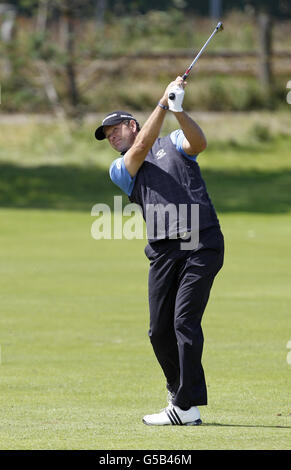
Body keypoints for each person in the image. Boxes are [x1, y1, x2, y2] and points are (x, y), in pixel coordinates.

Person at [95, 76, 224, 426]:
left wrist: (178, 110)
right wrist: (163, 104)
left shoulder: (174, 141)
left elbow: (199, 142)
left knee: (184, 321)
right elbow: (139, 149)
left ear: (131, 124)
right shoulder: (121, 168)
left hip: (201, 241)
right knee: (158, 330)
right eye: (108, 137)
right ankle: (178, 394)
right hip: (165, 251)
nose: (112, 138)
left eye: (115, 130)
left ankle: (184, 406)